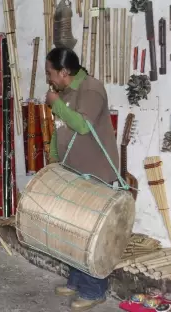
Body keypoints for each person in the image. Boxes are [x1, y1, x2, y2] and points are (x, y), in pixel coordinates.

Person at [44, 47, 119, 311]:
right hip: (73, 172)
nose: (49, 78)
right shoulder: (67, 92)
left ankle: (94, 290)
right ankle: (77, 280)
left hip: (96, 173)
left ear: (65, 72)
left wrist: (55, 103)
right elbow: (60, 130)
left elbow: (83, 125)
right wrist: (54, 159)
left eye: (51, 73)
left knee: (92, 235)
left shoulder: (91, 89)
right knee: (74, 231)